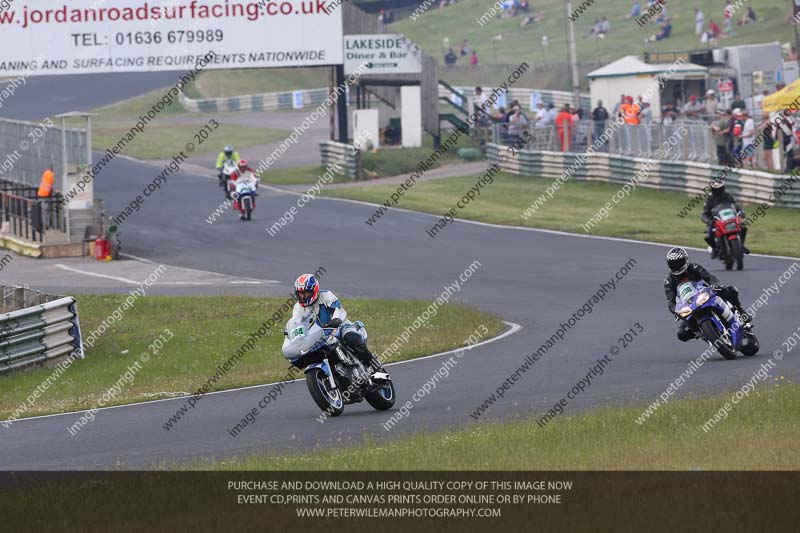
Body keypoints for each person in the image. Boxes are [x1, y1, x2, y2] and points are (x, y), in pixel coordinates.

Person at [292, 274, 381, 374]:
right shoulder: (297, 308)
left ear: (314, 290)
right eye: (300, 294)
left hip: (339, 326)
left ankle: (372, 363)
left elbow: (338, 309)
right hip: (319, 336)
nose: (303, 296)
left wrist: (336, 319)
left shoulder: (326, 295)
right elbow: (297, 324)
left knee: (350, 338)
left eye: (306, 293)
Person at [664, 247, 751, 345]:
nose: (676, 266)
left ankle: (740, 310)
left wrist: (714, 285)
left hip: (705, 294)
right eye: (673, 264)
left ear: (685, 260)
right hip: (690, 305)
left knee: (730, 290)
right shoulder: (669, 281)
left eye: (678, 263)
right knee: (681, 334)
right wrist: (676, 311)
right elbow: (671, 301)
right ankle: (704, 333)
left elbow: (709, 277)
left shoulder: (694, 267)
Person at [702, 179, 750, 257]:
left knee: (743, 228)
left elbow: (736, 206)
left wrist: (741, 212)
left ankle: (741, 245)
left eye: (720, 189)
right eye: (716, 189)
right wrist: (708, 220)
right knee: (708, 236)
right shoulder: (709, 199)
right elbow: (704, 214)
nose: (718, 191)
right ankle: (715, 248)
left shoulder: (727, 196)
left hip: (729, 218)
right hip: (715, 221)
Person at [37, 165, 55, 230]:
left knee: (43, 211)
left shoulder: (46, 173)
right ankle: (45, 225)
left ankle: (45, 224)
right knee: (45, 211)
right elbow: (52, 185)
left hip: (41, 194)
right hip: (45, 196)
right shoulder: (51, 176)